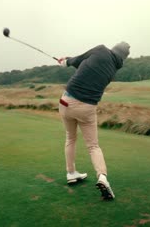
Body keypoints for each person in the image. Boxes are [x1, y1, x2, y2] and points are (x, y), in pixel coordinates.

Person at [57, 41, 130, 200]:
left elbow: (80, 60)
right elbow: (84, 64)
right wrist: (69, 60)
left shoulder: (101, 50)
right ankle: (102, 177)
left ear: (113, 48)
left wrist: (66, 62)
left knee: (70, 138)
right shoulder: (113, 70)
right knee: (93, 146)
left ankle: (71, 173)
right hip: (86, 109)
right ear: (122, 58)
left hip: (65, 102)